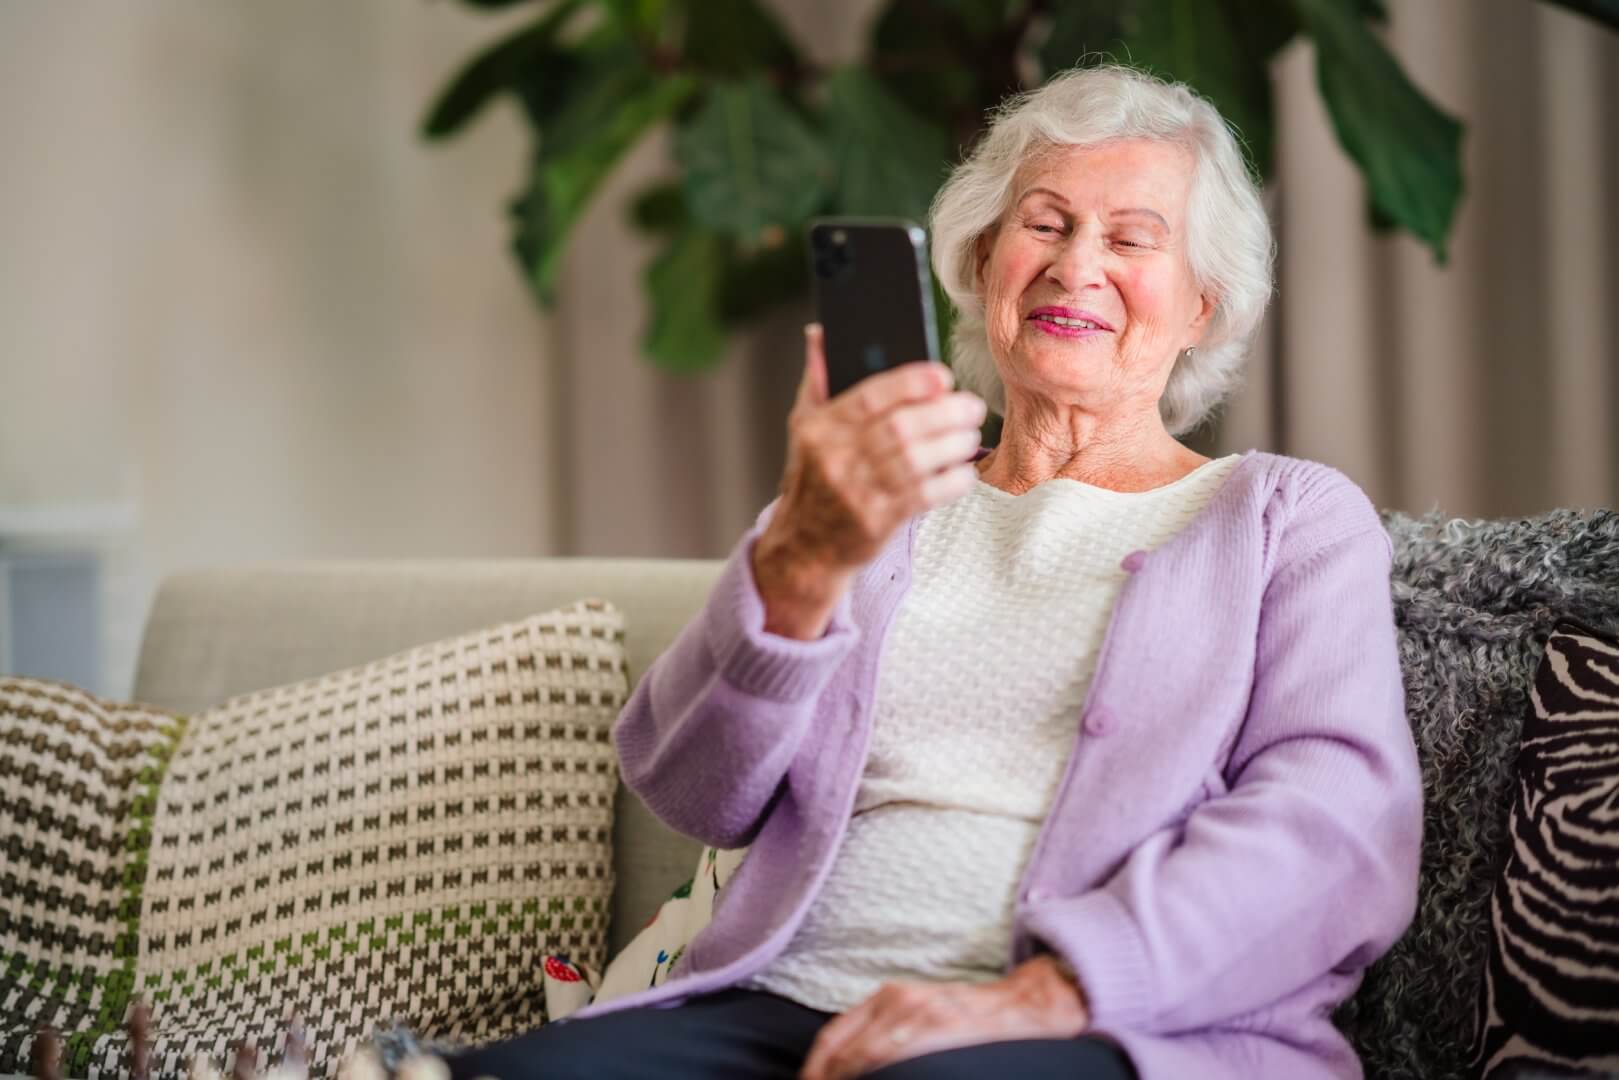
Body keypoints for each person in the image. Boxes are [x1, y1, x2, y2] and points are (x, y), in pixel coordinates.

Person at [449, 63, 1423, 1080]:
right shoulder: (864, 502)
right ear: (981, 260)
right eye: (1042, 225)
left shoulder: (1282, 520)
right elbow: (690, 790)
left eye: (1132, 239)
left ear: (1200, 309)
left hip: (1104, 1028)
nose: (1074, 265)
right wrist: (801, 556)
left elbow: (1332, 830)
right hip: (777, 1004)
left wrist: (1048, 994)